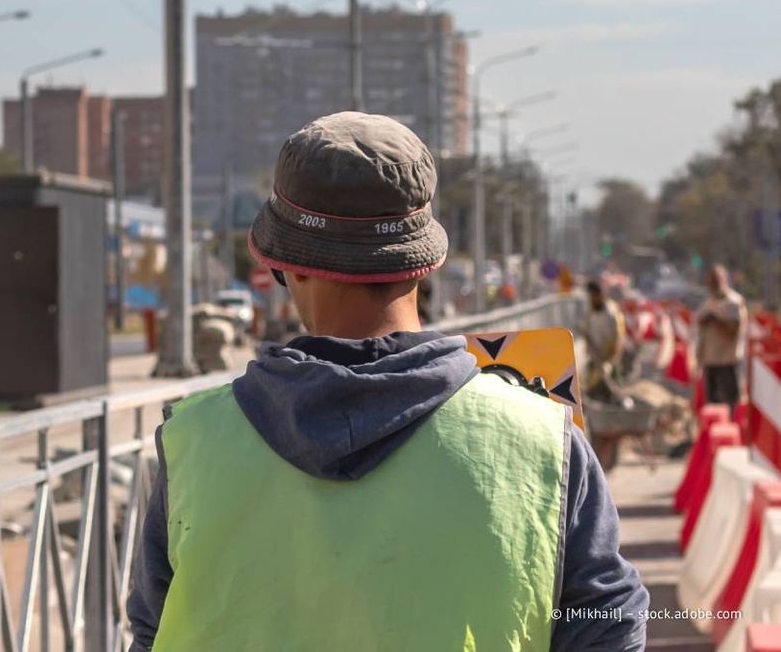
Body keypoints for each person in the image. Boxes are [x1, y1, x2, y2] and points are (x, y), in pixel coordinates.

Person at [127, 112, 647, 652]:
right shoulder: (544, 440)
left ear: (285, 265)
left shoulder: (196, 441)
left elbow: (152, 630)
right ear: (424, 264)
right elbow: (604, 626)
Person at [695, 263, 747, 407]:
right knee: (713, 403)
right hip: (710, 359)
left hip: (728, 360)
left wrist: (716, 319)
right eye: (711, 280)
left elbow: (735, 328)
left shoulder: (734, 302)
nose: (713, 283)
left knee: (731, 401)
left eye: (716, 280)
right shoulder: (709, 301)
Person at [583, 279, 626, 399]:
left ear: (600, 294)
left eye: (594, 296)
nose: (592, 299)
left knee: (612, 391)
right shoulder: (590, 311)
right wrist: (592, 353)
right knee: (591, 389)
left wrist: (609, 362)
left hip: (610, 359)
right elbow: (587, 332)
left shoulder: (612, 313)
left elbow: (618, 338)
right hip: (595, 357)